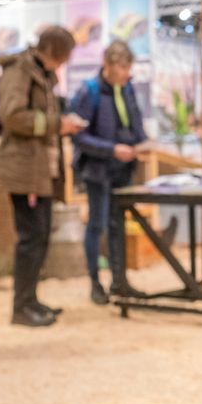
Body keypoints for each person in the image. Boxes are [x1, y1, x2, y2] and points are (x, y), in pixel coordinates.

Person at [0, 26, 83, 327]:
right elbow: (11, 115)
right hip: (24, 171)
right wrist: (56, 125)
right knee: (31, 238)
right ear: (55, 51)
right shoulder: (19, 71)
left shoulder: (43, 74)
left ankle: (30, 300)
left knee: (41, 236)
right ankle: (21, 307)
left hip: (42, 171)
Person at [69, 40, 148, 305]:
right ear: (108, 65)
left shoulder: (127, 89)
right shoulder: (90, 91)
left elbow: (135, 124)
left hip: (123, 170)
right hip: (98, 170)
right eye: (122, 67)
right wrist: (112, 149)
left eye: (128, 67)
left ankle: (119, 281)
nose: (126, 73)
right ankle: (95, 283)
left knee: (118, 225)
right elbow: (79, 136)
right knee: (97, 225)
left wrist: (142, 145)